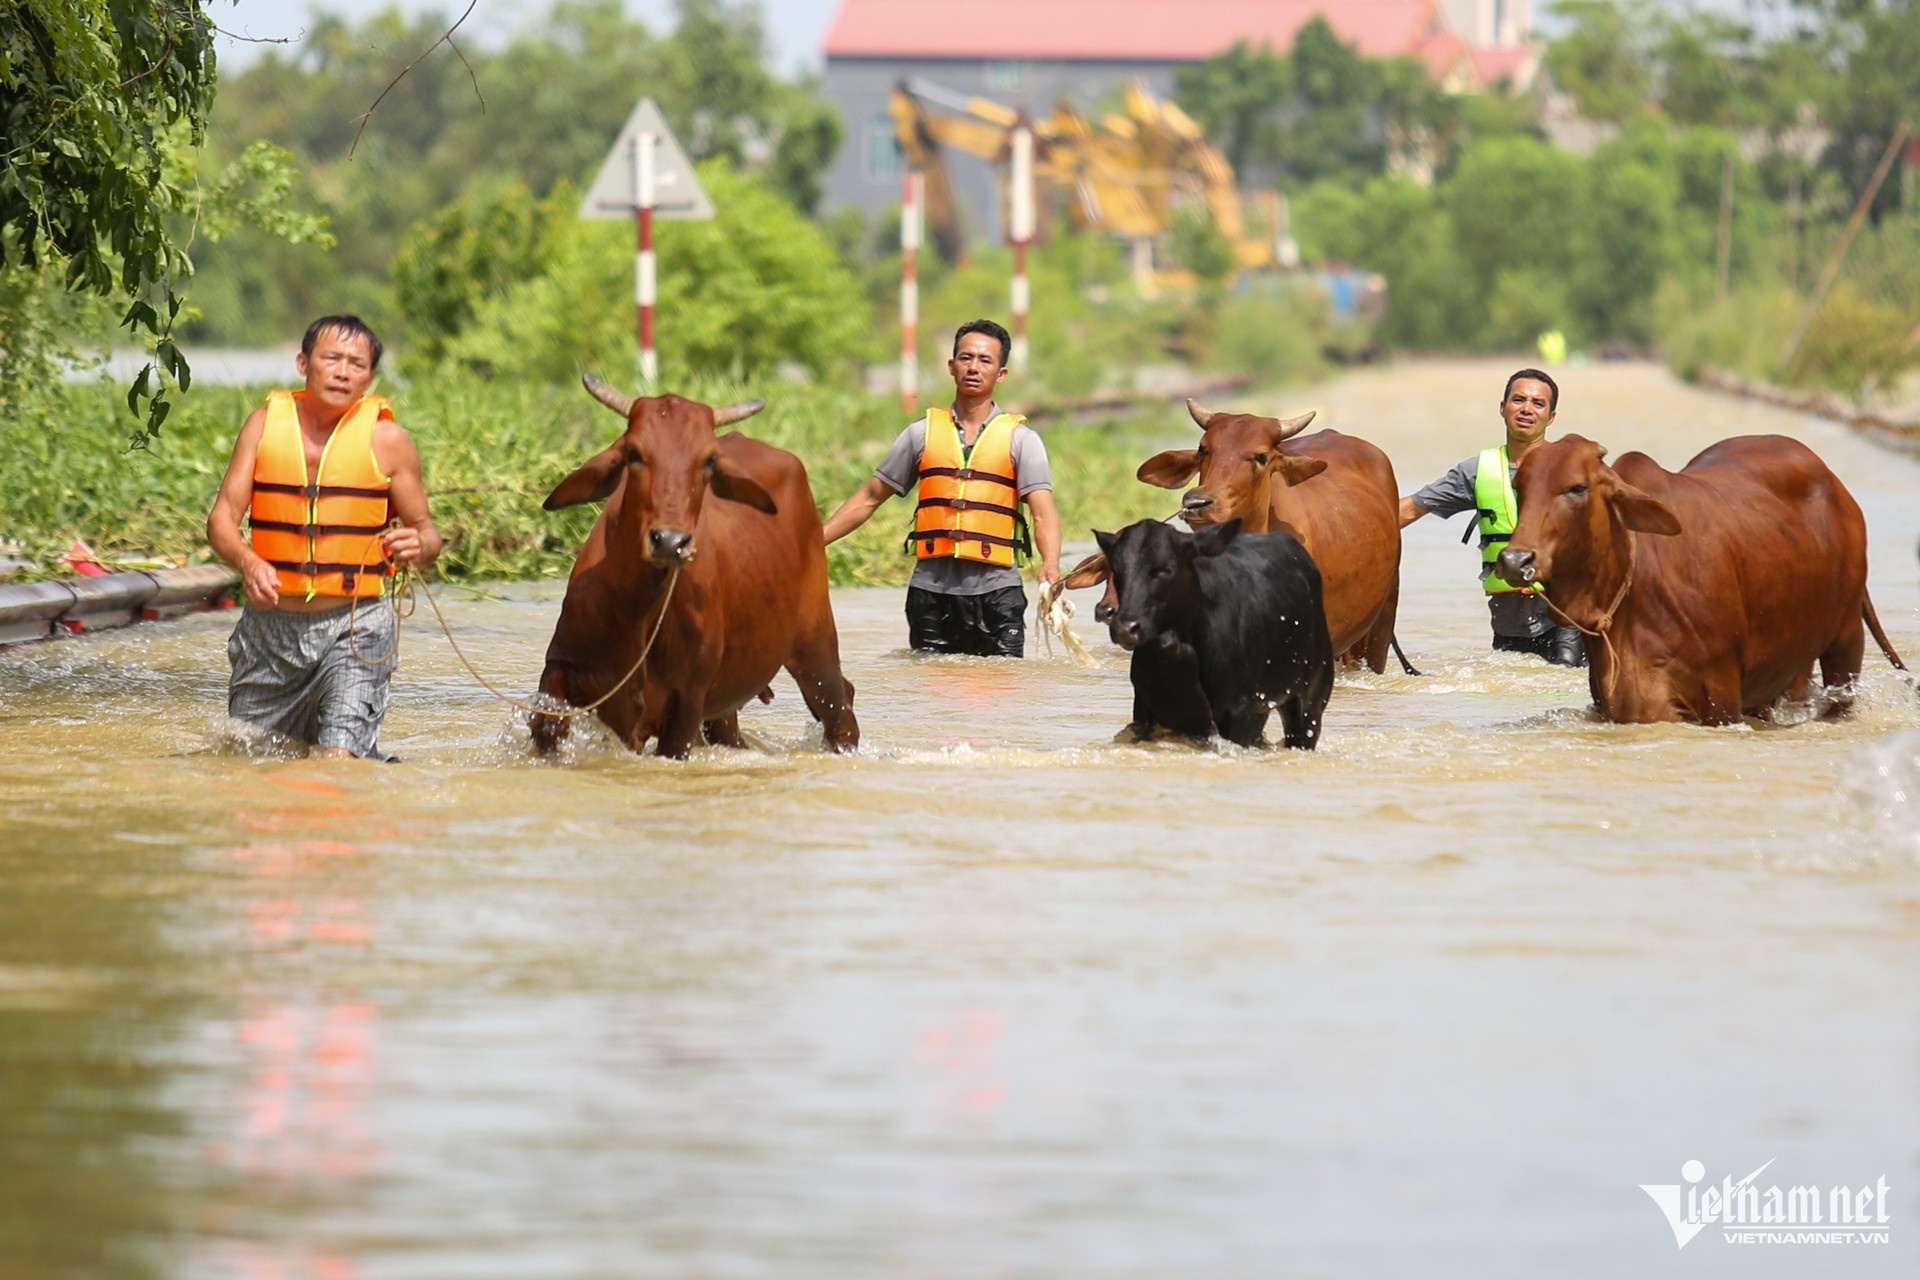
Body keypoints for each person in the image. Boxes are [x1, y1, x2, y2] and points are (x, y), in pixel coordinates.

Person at [206, 315, 442, 758]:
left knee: (338, 761)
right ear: (303, 363)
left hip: (357, 628)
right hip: (271, 631)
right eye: (331, 358)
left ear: (370, 378)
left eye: (357, 363)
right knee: (249, 762)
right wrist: (248, 561)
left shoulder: (390, 441)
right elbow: (221, 519)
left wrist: (418, 544)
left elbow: (428, 534)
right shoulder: (261, 426)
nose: (342, 371)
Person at [822, 318, 1062, 656]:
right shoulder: (920, 434)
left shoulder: (1021, 440)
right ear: (951, 366)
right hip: (931, 595)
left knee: (1003, 696)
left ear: (1001, 373)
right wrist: (814, 542)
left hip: (998, 595)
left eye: (985, 360)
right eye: (966, 358)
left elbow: (1043, 513)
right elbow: (869, 498)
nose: (974, 367)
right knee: (931, 694)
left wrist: (1051, 566)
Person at [1398, 368, 1586, 667]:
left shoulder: (1577, 470)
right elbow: (1408, 510)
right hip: (1507, 624)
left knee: (1561, 691)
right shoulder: (1476, 471)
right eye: (1518, 400)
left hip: (1567, 619)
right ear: (1503, 408)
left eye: (1538, 404)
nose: (1526, 409)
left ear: (1551, 417)